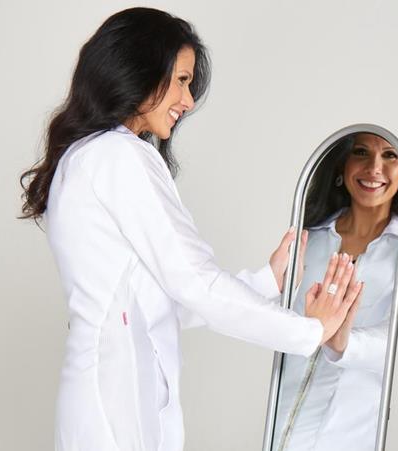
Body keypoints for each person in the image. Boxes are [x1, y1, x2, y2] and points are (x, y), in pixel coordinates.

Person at [18, 8, 362, 451]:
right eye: (181, 80)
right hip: (118, 409)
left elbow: (157, 306)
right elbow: (196, 284)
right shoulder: (119, 156)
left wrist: (267, 281)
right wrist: (309, 331)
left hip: (103, 402)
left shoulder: (84, 157)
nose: (189, 100)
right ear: (138, 70)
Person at [273, 133, 398, 451]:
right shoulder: (308, 238)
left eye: (389, 155)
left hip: (351, 435)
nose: (374, 168)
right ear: (342, 165)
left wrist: (345, 343)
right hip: (280, 432)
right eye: (361, 152)